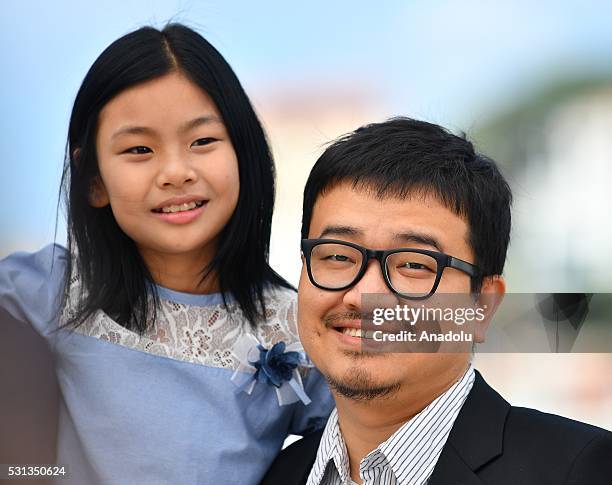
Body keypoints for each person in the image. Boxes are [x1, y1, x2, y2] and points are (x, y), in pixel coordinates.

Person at [0, 24, 332, 485]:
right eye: (139, 149)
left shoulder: (295, 324)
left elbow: (382, 425)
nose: (176, 172)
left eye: (202, 142)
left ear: (245, 153)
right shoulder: (53, 289)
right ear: (93, 179)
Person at [262, 117, 612, 484]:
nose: (365, 295)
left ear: (483, 307)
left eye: (414, 264)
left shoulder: (579, 470)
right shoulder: (278, 474)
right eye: (337, 256)